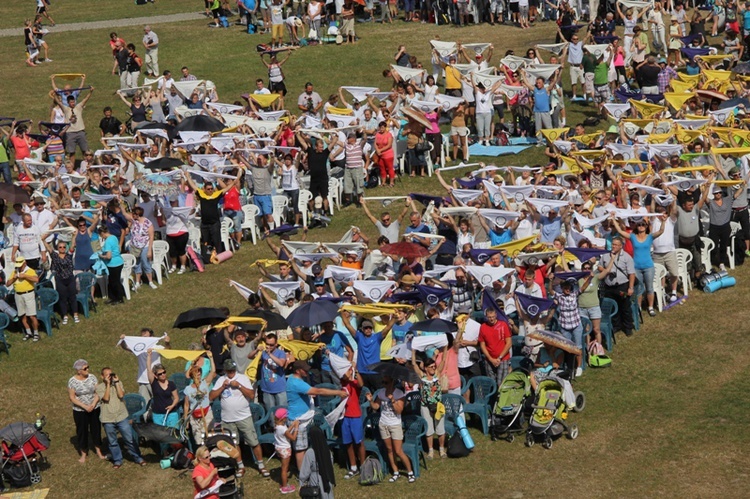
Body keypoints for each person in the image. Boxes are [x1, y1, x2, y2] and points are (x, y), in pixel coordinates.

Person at [209, 359, 270, 478]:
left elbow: (251, 395)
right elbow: (211, 396)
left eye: (233, 370)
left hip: (244, 417)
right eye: (229, 371)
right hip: (227, 419)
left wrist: (239, 386)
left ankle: (261, 465)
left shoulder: (243, 378)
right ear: (226, 370)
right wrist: (222, 387)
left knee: (253, 442)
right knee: (234, 443)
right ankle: (240, 466)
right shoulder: (221, 380)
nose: (231, 372)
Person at [286, 361, 347, 469]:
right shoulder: (296, 383)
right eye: (304, 370)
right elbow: (318, 390)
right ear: (297, 371)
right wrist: (337, 392)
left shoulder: (292, 378)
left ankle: (306, 469)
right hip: (298, 420)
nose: (307, 371)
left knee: (304, 446)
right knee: (300, 449)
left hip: (302, 418)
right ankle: (303, 474)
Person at [612, 215, 667, 317]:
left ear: (646, 226)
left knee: (650, 288)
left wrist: (663, 221)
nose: (641, 226)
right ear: (636, 226)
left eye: (643, 225)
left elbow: (661, 231)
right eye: (639, 225)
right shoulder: (632, 237)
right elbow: (620, 231)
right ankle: (639, 308)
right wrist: (613, 219)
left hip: (648, 266)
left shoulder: (650, 237)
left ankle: (650, 307)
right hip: (636, 267)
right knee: (639, 289)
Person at [366, 375, 415, 483]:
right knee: (389, 450)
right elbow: (376, 407)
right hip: (383, 424)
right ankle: (395, 472)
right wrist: (370, 401)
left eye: (386, 382)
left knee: (398, 451)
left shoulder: (399, 394)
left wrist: (392, 399)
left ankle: (410, 472)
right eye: (383, 382)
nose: (384, 385)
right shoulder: (381, 393)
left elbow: (399, 411)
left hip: (395, 424)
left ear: (392, 382)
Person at [97, 367, 146, 468]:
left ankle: (138, 457)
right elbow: (106, 398)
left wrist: (117, 382)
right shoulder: (99, 387)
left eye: (111, 374)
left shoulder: (118, 383)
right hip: (108, 418)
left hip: (121, 416)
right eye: (107, 375)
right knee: (112, 441)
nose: (110, 377)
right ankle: (117, 460)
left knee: (129, 439)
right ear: (102, 376)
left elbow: (121, 395)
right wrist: (108, 385)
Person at [68, 359, 107, 463]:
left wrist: (93, 404)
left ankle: (98, 450)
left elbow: (97, 392)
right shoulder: (72, 381)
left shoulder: (92, 377)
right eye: (85, 368)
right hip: (79, 411)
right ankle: (83, 453)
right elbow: (72, 398)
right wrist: (84, 406)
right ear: (79, 371)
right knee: (82, 431)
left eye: (88, 367)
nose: (88, 369)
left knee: (96, 429)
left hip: (94, 408)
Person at [411, 349, 447, 459]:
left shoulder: (437, 375)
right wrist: (413, 350)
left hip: (437, 405)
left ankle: (441, 449)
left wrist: (445, 347)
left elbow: (443, 360)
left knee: (440, 428)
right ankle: (431, 450)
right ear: (425, 368)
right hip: (425, 406)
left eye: (434, 366)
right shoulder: (422, 377)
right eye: (431, 367)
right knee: (429, 429)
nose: (433, 368)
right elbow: (413, 364)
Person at [598, 236, 636, 337]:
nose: (613, 246)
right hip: (609, 287)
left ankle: (628, 327)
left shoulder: (627, 257)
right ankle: (616, 325)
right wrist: (606, 271)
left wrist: (630, 287)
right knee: (613, 307)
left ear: (621, 246)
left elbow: (632, 273)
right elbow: (600, 266)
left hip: (622, 286)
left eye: (615, 245)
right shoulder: (606, 256)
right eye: (612, 244)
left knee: (625, 306)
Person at [41, 233, 79, 325]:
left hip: (70, 278)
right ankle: (65, 315)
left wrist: (73, 236)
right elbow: (48, 248)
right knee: (62, 298)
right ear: (57, 248)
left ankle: (75, 314)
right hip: (60, 279)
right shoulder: (55, 256)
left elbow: (73, 245)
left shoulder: (69, 255)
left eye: (63, 247)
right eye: (60, 247)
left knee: (72, 297)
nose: (62, 249)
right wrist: (43, 240)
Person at [184, 351, 216, 446]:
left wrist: (211, 358)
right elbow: (186, 405)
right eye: (196, 374)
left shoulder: (205, 383)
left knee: (210, 437)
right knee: (199, 440)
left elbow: (213, 371)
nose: (198, 375)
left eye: (199, 373)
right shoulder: (188, 389)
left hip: (206, 414)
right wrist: (186, 420)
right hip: (195, 416)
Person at [123, 205, 157, 290]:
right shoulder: (134, 222)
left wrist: (149, 250)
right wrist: (120, 204)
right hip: (134, 246)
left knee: (145, 262)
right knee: (136, 264)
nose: (132, 215)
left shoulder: (148, 223)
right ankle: (137, 282)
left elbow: (151, 236)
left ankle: (150, 281)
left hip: (144, 246)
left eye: (133, 214)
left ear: (137, 214)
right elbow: (124, 214)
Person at [7, 257, 40, 342]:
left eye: (20, 266)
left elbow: (36, 279)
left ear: (24, 264)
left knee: (32, 315)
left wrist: (25, 276)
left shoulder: (30, 271)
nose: (19, 267)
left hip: (28, 294)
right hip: (18, 295)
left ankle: (36, 333)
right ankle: (28, 332)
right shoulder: (15, 271)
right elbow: (7, 284)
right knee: (22, 315)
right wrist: (14, 278)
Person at [299, 426, 337, 499]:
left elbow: (305, 473)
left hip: (315, 482)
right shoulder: (328, 452)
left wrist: (301, 484)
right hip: (327, 481)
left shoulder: (310, 452)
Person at [146, 350, 180, 430]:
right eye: (160, 374)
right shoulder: (154, 383)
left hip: (171, 413)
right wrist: (149, 356)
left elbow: (176, 398)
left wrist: (172, 406)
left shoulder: (171, 384)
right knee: (161, 436)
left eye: (164, 372)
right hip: (158, 414)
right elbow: (148, 369)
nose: (163, 375)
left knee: (173, 434)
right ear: (155, 376)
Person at [478, 307, 512, 387]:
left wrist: (499, 358)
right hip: (490, 359)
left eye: (493, 317)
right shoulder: (483, 327)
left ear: (496, 315)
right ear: (486, 317)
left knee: (501, 383)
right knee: (492, 383)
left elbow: (509, 343)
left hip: (502, 358)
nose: (491, 319)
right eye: (489, 317)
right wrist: (490, 359)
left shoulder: (503, 325)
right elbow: (482, 345)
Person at [255, 332, 290, 408]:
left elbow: (281, 363)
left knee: (282, 414)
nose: (269, 346)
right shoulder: (263, 353)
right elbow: (250, 357)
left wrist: (270, 354)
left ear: (276, 344)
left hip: (279, 388)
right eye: (267, 344)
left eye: (271, 345)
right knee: (271, 415)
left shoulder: (281, 353)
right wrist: (256, 350)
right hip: (266, 388)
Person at [273, 408, 299, 494]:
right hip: (285, 449)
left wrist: (292, 425)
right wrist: (296, 428)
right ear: (282, 418)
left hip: (279, 448)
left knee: (283, 467)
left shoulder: (277, 426)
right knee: (285, 469)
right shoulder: (282, 429)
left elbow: (286, 431)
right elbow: (293, 438)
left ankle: (284, 484)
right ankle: (284, 487)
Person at [99, 225, 126, 305]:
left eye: (101, 235)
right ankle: (114, 297)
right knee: (112, 281)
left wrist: (101, 256)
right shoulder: (113, 237)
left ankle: (119, 298)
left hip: (113, 264)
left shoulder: (107, 242)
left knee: (114, 282)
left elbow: (108, 256)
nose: (102, 237)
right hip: (119, 261)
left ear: (103, 233)